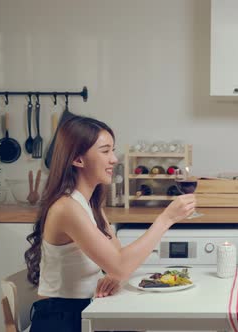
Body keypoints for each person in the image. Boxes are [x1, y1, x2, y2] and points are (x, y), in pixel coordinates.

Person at [24, 115, 196, 332]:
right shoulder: (66, 208)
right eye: (105, 151)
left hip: (88, 311)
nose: (114, 159)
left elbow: (118, 262)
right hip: (61, 320)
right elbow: (121, 265)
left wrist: (115, 276)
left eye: (112, 150)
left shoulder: (90, 205)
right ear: (78, 159)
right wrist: (166, 219)